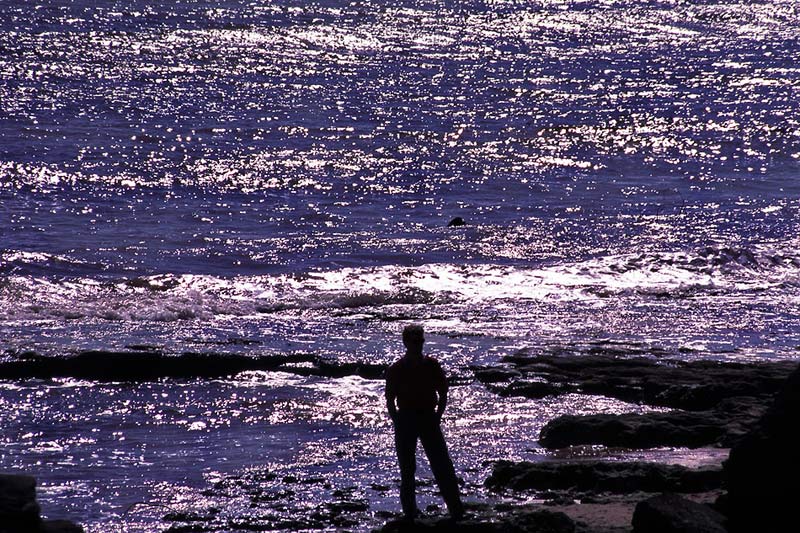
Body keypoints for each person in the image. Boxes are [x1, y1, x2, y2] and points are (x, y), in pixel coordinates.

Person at [385, 324, 464, 521]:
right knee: (407, 468)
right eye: (413, 341)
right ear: (405, 343)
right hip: (406, 418)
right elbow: (389, 400)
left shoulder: (432, 365)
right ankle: (410, 512)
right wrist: (397, 420)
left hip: (428, 417)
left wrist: (438, 416)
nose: (417, 344)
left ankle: (455, 510)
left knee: (442, 465)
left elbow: (444, 393)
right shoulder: (396, 369)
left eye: (420, 341)